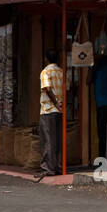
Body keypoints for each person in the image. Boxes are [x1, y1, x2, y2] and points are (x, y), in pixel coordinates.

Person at [38, 49, 63, 178]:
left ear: (46, 59)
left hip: (48, 110)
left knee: (48, 140)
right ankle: (58, 166)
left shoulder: (45, 72)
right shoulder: (61, 72)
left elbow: (47, 88)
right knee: (58, 140)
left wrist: (55, 103)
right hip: (59, 111)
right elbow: (66, 88)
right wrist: (60, 104)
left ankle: (48, 168)